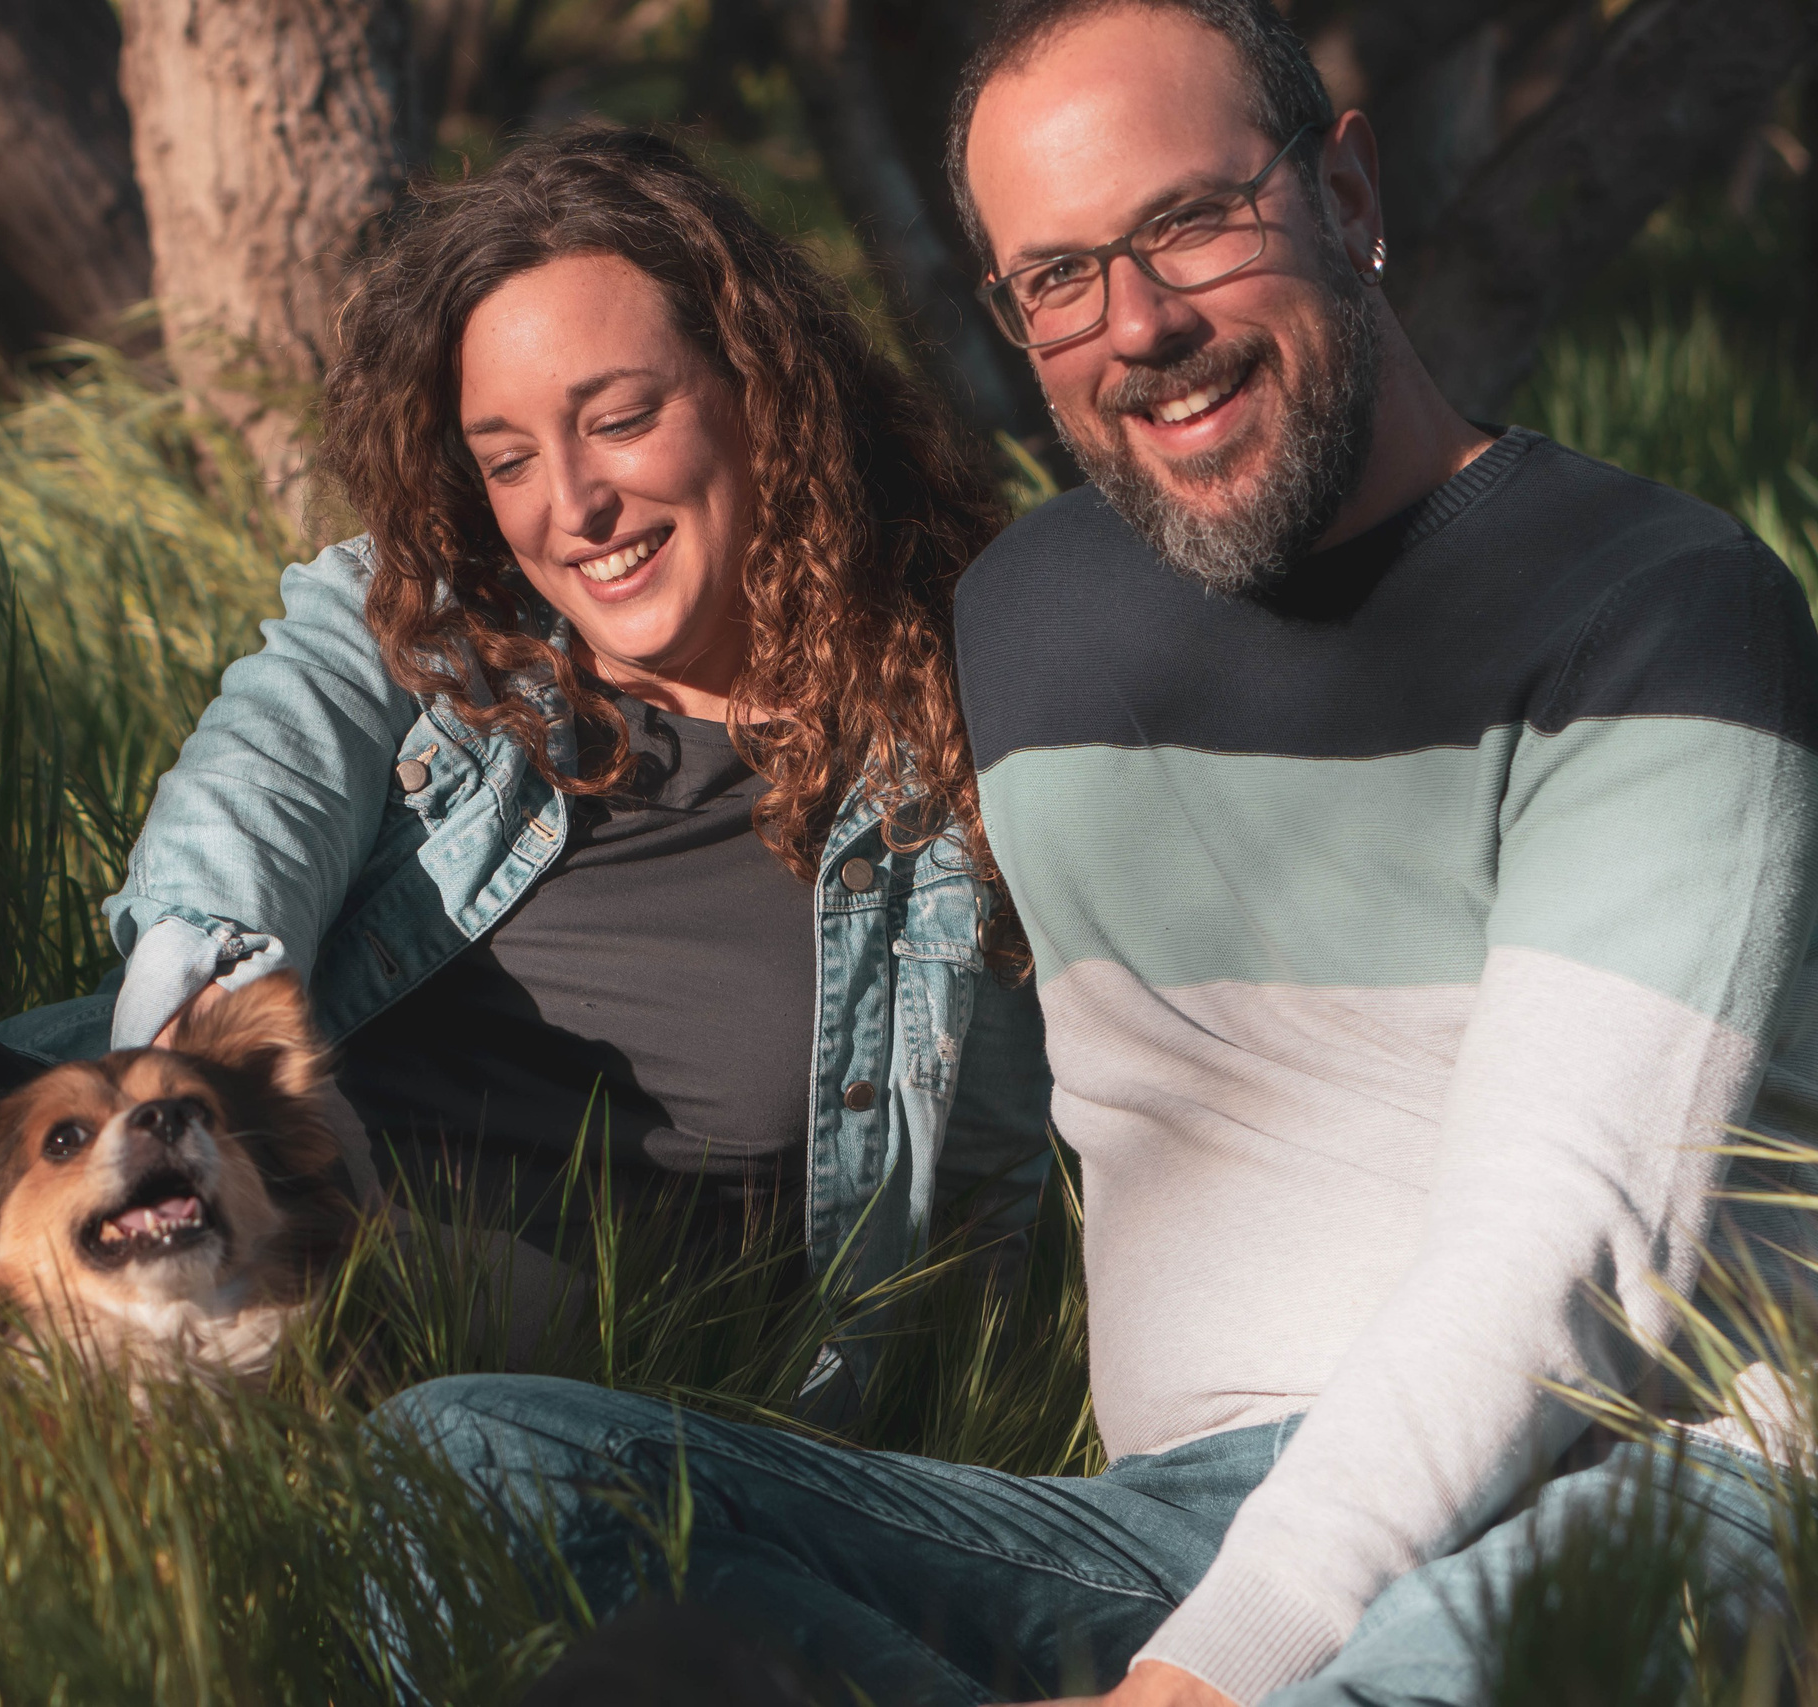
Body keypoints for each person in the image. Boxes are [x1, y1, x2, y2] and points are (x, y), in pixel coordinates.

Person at [381, 4, 1818, 1704]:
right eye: (1058, 277)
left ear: (1350, 191)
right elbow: (491, 606)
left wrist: (1208, 1677)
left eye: (1193, 222)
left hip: (1647, 1458)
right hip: (1177, 1529)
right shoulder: (1016, 623)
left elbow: (1571, 1259)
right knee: (466, 1468)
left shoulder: (1660, 615)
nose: (1139, 325)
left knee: (1405, 1672)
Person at [0, 129, 1053, 1373]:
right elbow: (247, 805)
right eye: (511, 457)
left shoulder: (963, 729)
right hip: (227, 1184)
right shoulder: (422, 618)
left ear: (764, 393)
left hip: (521, 1335)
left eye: (621, 419)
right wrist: (187, 1065)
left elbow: (1038, 1158)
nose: (574, 507)